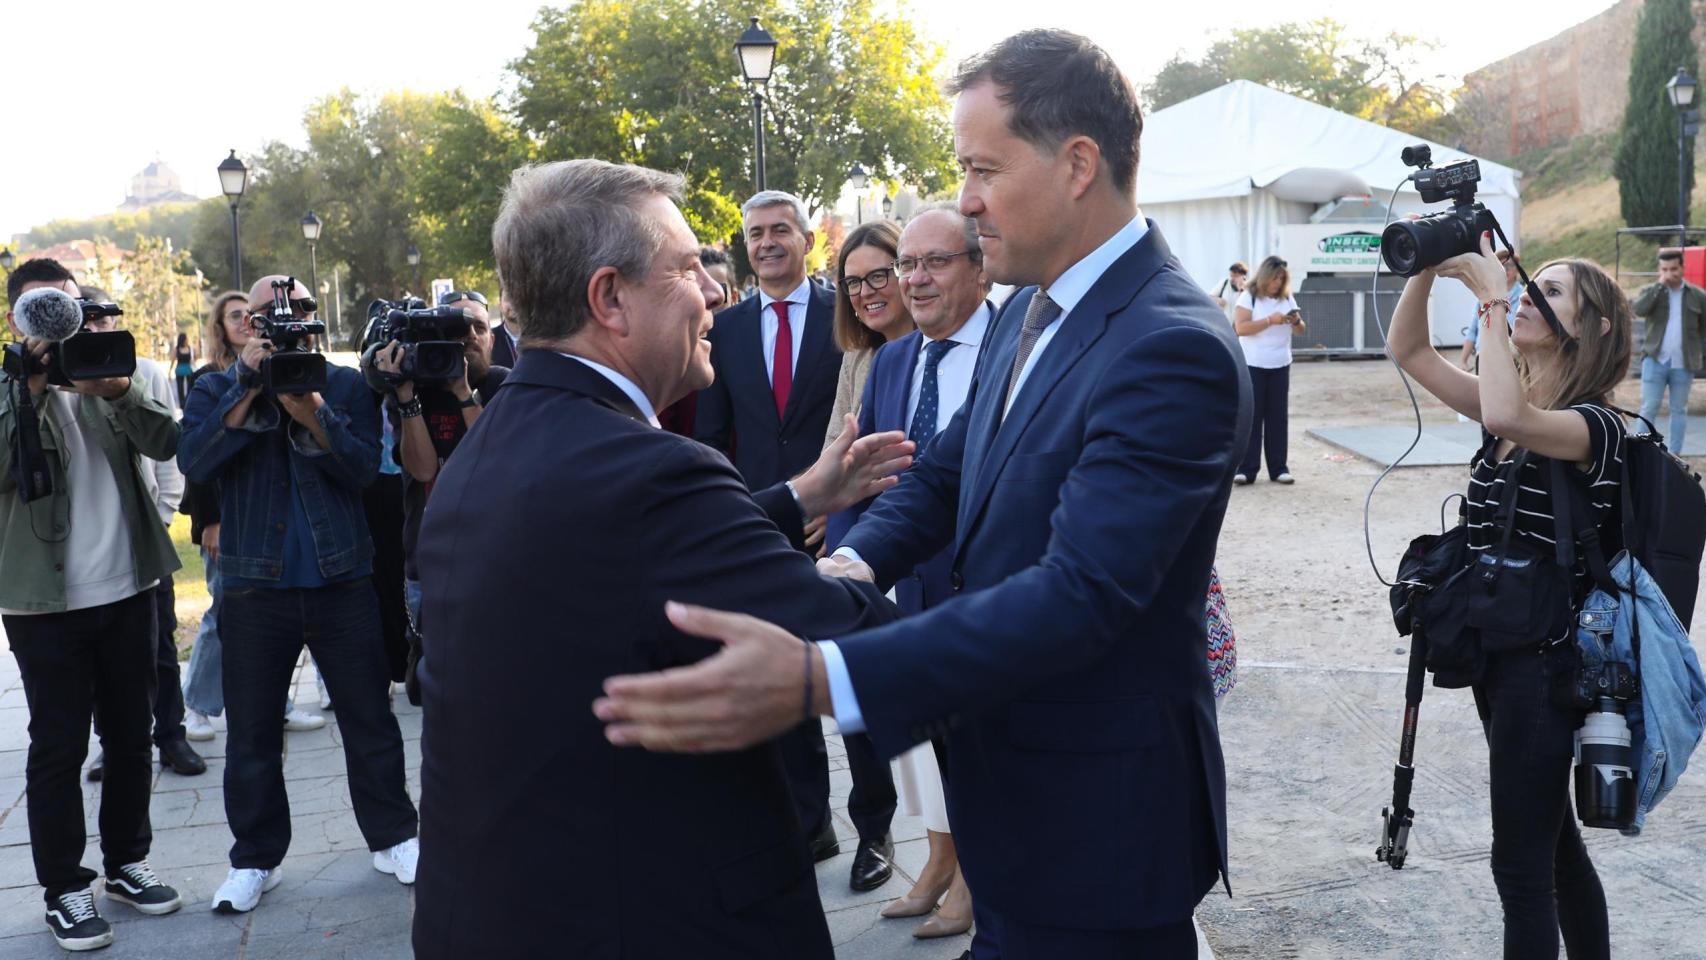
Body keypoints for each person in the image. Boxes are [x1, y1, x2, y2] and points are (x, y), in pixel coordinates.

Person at [594, 30, 1251, 960]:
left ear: (1077, 164)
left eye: (983, 169)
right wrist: (850, 566)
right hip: (1012, 795)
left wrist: (821, 680)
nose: (967, 200)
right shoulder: (1031, 304)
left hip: (1101, 827)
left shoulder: (1168, 345)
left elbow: (1083, 594)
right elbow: (944, 472)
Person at [411, 158, 916, 959]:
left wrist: (798, 498)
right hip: (655, 913)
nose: (716, 291)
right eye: (687, 269)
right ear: (609, 298)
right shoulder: (650, 471)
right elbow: (851, 640)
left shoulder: (497, 441)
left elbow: (621, 560)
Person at [1384, 232, 1633, 958]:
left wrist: (1493, 297)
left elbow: (1506, 417)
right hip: (1503, 655)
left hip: (1547, 672)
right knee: (1554, 854)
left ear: (1591, 329)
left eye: (1551, 292)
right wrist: (1429, 266)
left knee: (1520, 870)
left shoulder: (1594, 427)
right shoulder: (1516, 407)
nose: (1529, 295)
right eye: (1532, 285)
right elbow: (1411, 354)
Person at [178, 276, 418, 915]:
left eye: (303, 308)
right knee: (252, 734)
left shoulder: (344, 385)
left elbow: (366, 469)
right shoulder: (212, 385)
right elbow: (195, 464)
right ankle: (255, 859)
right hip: (256, 585)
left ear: (318, 316)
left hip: (341, 579)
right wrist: (248, 387)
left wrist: (312, 412)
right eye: (269, 314)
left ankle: (393, 837)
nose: (290, 321)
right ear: (247, 325)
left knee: (369, 718)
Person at [697, 190, 900, 887]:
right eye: (755, 233)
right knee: (785, 683)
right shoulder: (722, 332)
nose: (767, 242)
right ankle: (810, 824)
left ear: (808, 240)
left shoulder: (846, 318)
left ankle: (876, 828)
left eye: (781, 229)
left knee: (855, 679)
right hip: (761, 527)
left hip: (840, 528)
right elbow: (710, 439)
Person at [0, 258, 185, 951]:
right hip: (42, 602)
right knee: (58, 746)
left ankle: (127, 863)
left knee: (132, 735)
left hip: (128, 584)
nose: (54, 322)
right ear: (16, 318)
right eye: (37, 309)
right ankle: (65, 890)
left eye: (66, 307)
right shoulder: (9, 387)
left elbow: (167, 440)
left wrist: (116, 388)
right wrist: (31, 386)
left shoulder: (111, 368)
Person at [829, 201, 994, 941]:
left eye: (934, 263)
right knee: (924, 746)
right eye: (909, 267)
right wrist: (851, 557)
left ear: (979, 265)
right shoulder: (891, 358)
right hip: (905, 574)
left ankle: (976, 881)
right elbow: (875, 476)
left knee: (984, 744)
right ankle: (938, 864)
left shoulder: (1013, 352)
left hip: (987, 587)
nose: (915, 282)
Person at [178, 292, 328, 739]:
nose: (247, 321)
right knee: (221, 611)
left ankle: (278, 703)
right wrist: (210, 521)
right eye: (236, 316)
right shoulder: (211, 380)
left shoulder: (283, 370)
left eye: (252, 314)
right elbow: (200, 465)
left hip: (272, 524)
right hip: (227, 523)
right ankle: (197, 706)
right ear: (220, 327)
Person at [75, 286, 205, 781]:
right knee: (100, 662)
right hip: (90, 544)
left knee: (162, 646)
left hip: (143, 534)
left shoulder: (145, 371)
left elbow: (167, 453)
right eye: (85, 321)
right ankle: (113, 744)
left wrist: (166, 514)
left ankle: (171, 735)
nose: (96, 330)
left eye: (104, 320)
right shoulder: (60, 377)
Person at [373, 289, 511, 634]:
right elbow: (422, 470)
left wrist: (463, 392)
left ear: (492, 339)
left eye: (478, 327)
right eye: (456, 329)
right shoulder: (414, 387)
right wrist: (406, 396)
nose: (469, 338)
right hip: (430, 562)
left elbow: (497, 459)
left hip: (496, 561)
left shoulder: (505, 385)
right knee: (430, 674)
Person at [824, 220, 915, 451]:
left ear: (906, 271)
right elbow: (833, 446)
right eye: (853, 282)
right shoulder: (856, 357)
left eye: (877, 276)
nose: (865, 292)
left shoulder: (937, 351)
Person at [1232, 255, 1304, 485]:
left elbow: (1301, 330)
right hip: (1253, 363)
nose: (1277, 283)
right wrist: (1269, 321)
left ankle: (1279, 468)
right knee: (1252, 416)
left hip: (1280, 363)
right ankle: (1246, 469)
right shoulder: (1248, 297)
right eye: (1274, 278)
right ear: (1265, 277)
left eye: (1281, 279)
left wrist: (1294, 322)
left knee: (1277, 417)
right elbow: (1241, 328)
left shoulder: (1287, 298)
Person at [1632, 248, 1706, 451]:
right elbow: (1639, 309)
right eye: (1665, 269)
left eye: (1674, 268)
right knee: (1649, 407)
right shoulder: (1652, 291)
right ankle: (1640, 451)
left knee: (1679, 410)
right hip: (1655, 360)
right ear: (1659, 269)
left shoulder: (1697, 295)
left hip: (1684, 363)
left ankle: (1675, 455)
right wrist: (1659, 285)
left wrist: (1693, 346)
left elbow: (1703, 327)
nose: (1670, 273)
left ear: (1682, 268)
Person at [1460, 257, 1524, 372]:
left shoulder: (1524, 297)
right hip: (1484, 356)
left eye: (1509, 265)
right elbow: (1473, 330)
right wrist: (1463, 361)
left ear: (1518, 269)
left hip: (1512, 358)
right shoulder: (1484, 296)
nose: (1505, 269)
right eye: (1501, 265)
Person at [173, 332, 194, 407]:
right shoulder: (177, 349)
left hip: (188, 369)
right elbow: (173, 360)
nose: (187, 340)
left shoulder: (189, 348)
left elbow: (192, 360)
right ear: (183, 339)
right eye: (186, 338)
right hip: (179, 370)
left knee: (190, 387)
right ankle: (182, 404)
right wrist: (169, 371)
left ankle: (189, 401)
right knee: (180, 388)